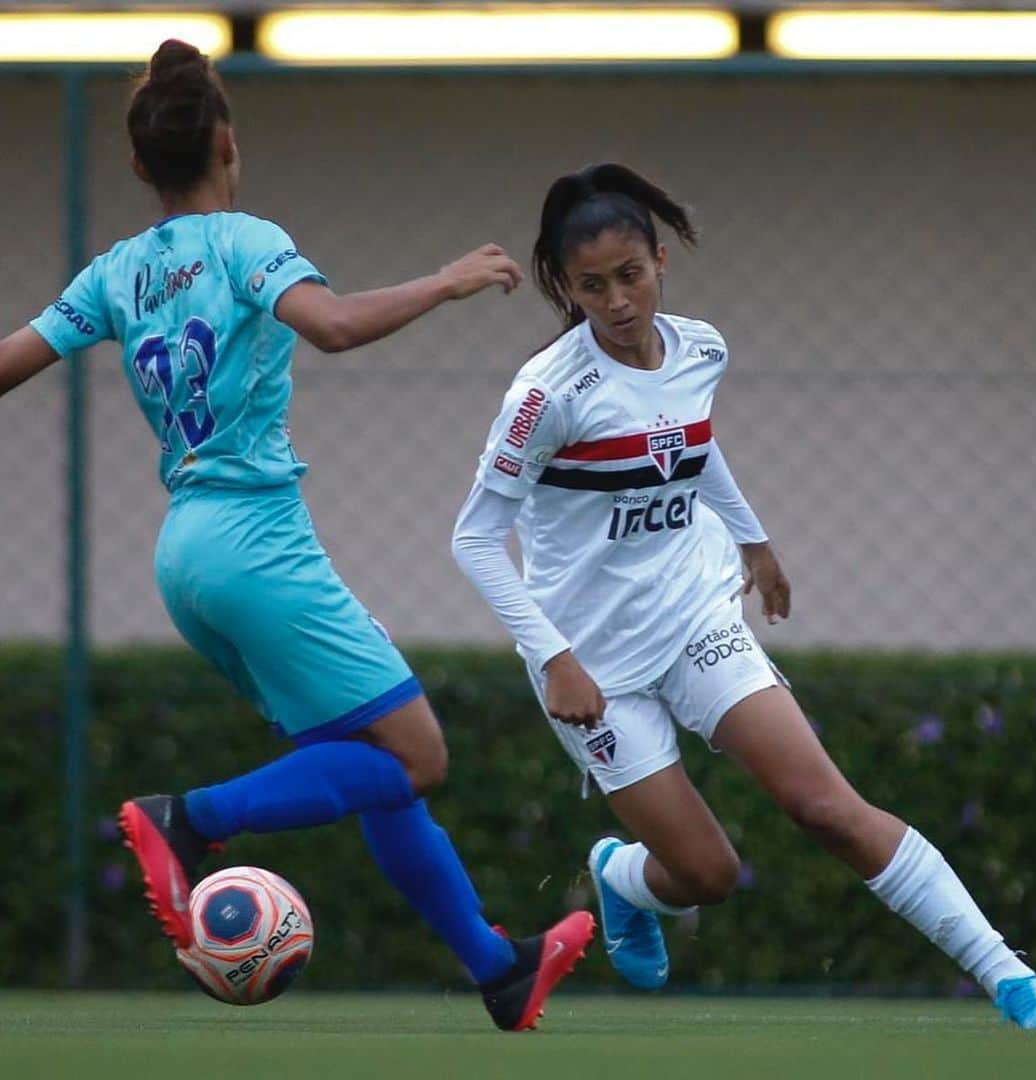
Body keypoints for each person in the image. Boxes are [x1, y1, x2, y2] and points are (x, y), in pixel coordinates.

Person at [0, 40, 593, 1031]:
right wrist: (445, 281)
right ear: (227, 141)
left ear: (142, 165)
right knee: (416, 757)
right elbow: (334, 325)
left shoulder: (114, 273)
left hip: (184, 557)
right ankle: (185, 821)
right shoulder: (244, 242)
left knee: (369, 765)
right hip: (258, 547)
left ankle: (497, 966)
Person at [451, 162, 1036, 1030]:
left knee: (826, 807)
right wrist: (552, 657)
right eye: (592, 286)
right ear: (564, 286)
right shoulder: (546, 395)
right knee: (707, 875)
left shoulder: (702, 347)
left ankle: (1006, 975)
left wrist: (753, 538)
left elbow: (692, 449)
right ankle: (621, 875)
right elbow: (474, 538)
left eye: (631, 275)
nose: (618, 300)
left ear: (660, 261)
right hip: (590, 666)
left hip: (696, 618)